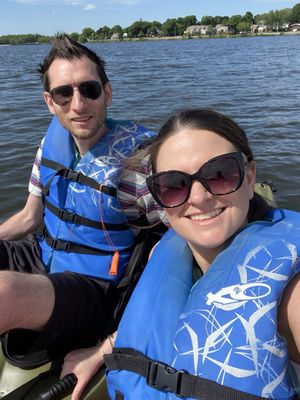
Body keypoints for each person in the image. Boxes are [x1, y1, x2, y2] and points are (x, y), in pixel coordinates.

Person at [61, 108, 300, 400]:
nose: (199, 198)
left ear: (250, 177)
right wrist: (102, 350)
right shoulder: (162, 251)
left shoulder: (290, 294)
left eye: (220, 174)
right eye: (174, 185)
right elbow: (159, 321)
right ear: (159, 199)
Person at [0, 33, 159, 366]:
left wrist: (108, 347)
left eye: (90, 89)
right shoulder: (50, 147)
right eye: (63, 92)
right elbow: (30, 218)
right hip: (41, 254)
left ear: (108, 93)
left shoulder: (138, 167)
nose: (78, 104)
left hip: (94, 287)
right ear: (49, 101)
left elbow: (180, 248)